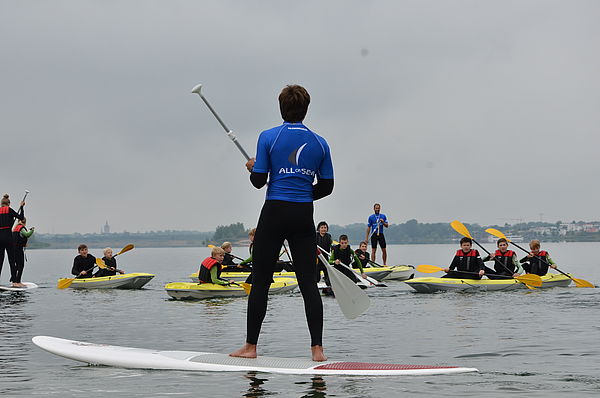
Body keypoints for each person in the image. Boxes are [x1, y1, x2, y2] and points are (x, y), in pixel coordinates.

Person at [230, 85, 334, 362]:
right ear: (306, 109)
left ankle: (251, 347)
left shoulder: (268, 137)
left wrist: (253, 167)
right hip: (303, 215)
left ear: (281, 108)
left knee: (261, 282)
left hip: (274, 212)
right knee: (308, 284)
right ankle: (317, 350)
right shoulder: (320, 142)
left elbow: (258, 181)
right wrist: (302, 193)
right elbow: (327, 187)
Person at [0, 194, 25, 283]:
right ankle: (15, 281)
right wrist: (21, 207)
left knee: (0, 260)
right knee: (11, 260)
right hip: (8, 237)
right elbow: (21, 218)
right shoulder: (9, 210)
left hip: (0, 238)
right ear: (9, 204)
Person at [11, 217, 34, 287]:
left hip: (13, 250)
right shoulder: (21, 228)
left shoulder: (15, 228)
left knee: (16, 265)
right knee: (21, 265)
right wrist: (32, 230)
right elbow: (27, 234)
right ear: (25, 222)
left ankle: (13, 280)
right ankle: (18, 282)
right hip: (18, 250)